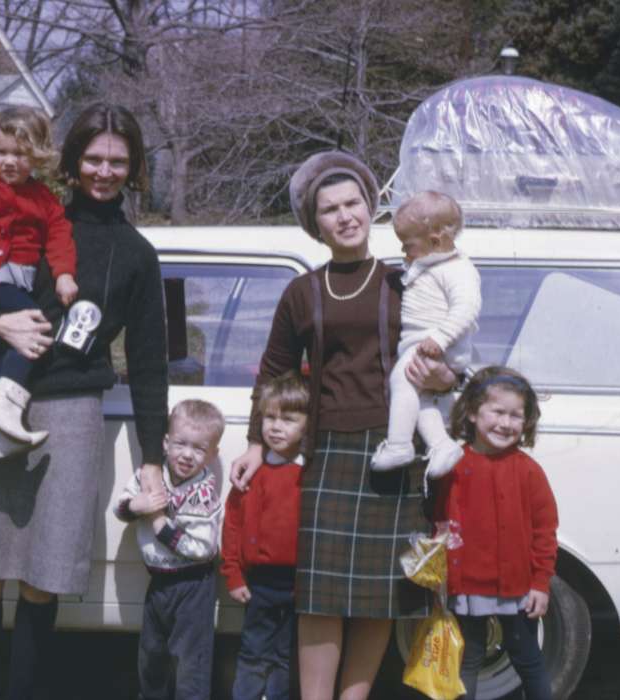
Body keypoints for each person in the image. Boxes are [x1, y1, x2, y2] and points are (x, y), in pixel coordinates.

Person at [0, 103, 169, 700]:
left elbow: (147, 365)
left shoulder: (138, 255)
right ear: (72, 159)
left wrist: (152, 458)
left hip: (72, 417)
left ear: (133, 167)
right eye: (93, 157)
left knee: (43, 581)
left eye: (118, 161)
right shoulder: (31, 211)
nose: (104, 171)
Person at [229, 151, 458, 700]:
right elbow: (274, 370)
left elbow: (448, 357)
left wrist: (446, 374)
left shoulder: (409, 282)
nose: (345, 215)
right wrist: (256, 442)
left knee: (379, 596)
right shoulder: (302, 292)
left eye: (353, 202)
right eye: (330, 209)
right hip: (329, 453)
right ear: (317, 224)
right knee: (321, 596)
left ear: (370, 207)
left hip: (396, 452)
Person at [0, 106, 79, 455]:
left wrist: (65, 274)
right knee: (37, 326)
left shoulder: (43, 200)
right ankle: (6, 403)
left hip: (20, 283)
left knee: (15, 344)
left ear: (35, 156)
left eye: (20, 154)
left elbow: (59, 237)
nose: (10, 161)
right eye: (1, 152)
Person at [433, 366, 558, 700]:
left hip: (517, 589)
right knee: (467, 661)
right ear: (473, 412)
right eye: (498, 411)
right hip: (466, 587)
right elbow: (439, 523)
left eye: (516, 415)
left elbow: (545, 532)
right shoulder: (452, 465)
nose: (506, 423)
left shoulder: (529, 472)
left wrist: (540, 583)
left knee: (529, 660)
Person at [114, 399, 225, 700]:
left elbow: (203, 547)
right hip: (159, 581)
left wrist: (161, 525)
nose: (187, 455)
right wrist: (136, 505)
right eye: (180, 443)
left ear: (213, 454)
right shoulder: (150, 476)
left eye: (199, 448)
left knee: (191, 663)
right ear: (165, 443)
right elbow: (120, 508)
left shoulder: (203, 491)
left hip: (193, 585)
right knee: (152, 657)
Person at [371, 191, 481, 475]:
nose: (404, 253)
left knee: (401, 379)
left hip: (434, 344)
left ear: (435, 241)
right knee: (419, 400)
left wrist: (440, 339)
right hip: (426, 344)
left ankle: (399, 445)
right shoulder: (428, 264)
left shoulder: (457, 269)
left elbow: (467, 308)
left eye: (408, 246)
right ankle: (442, 445)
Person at [221, 370, 309, 700]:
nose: (275, 426)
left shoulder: (310, 474)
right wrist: (233, 574)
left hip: (298, 585)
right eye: (269, 417)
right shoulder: (251, 472)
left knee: (286, 657)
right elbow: (232, 525)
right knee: (253, 654)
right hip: (257, 584)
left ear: (306, 425)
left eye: (288, 419)